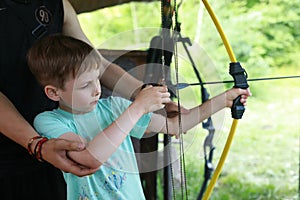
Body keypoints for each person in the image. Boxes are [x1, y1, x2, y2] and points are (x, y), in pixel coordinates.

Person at [27, 34, 251, 200]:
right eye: (86, 85)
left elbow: (174, 125)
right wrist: (138, 108)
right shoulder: (49, 121)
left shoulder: (114, 106)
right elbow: (89, 159)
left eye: (97, 79)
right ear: (53, 92)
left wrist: (224, 100)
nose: (97, 89)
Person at [0, 0, 182, 199]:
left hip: (62, 142)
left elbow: (96, 64)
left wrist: (147, 94)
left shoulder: (58, 5)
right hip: (15, 151)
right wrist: (36, 143)